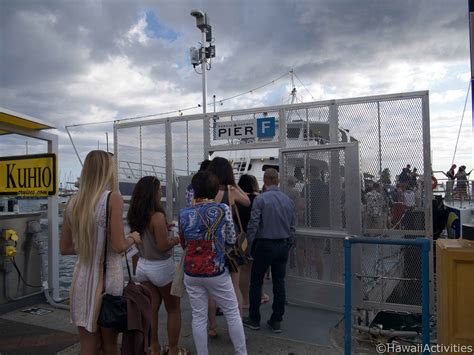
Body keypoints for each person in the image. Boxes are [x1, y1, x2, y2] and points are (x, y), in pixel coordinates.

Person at [60, 150, 142, 355]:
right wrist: (133, 238)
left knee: (88, 346)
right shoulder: (112, 198)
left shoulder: (73, 202)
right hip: (107, 281)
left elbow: (65, 248)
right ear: (108, 171)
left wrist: (90, 245)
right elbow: (118, 246)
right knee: (109, 346)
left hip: (81, 280)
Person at [179, 171, 247, 355]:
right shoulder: (222, 209)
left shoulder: (183, 213)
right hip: (216, 270)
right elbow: (231, 239)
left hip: (191, 272)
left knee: (198, 317)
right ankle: (241, 353)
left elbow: (184, 243)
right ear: (213, 189)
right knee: (232, 313)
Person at [127, 176, 184, 355]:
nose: (161, 193)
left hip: (143, 266)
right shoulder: (157, 216)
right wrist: (175, 239)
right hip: (161, 267)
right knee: (173, 308)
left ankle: (154, 347)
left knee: (151, 309)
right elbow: (162, 245)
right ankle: (174, 349)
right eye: (159, 190)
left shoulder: (135, 214)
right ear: (153, 193)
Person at [243, 168, 295, 333]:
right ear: (278, 181)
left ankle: (254, 319)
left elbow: (253, 225)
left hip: (265, 245)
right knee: (279, 282)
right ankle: (276, 320)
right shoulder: (288, 201)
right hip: (282, 245)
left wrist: (249, 246)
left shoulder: (261, 200)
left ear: (265, 181)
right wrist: (288, 244)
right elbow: (293, 227)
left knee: (256, 282)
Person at [206, 157, 250, 338]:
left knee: (211, 289)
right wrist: (234, 185)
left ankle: (213, 328)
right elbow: (247, 201)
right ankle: (237, 328)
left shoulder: (206, 191)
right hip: (230, 246)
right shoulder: (230, 192)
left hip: (210, 245)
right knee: (234, 287)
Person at [236, 174, 269, 309]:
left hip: (241, 238)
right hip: (257, 238)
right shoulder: (258, 199)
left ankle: (245, 300)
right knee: (258, 270)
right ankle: (260, 295)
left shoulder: (237, 201)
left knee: (244, 269)